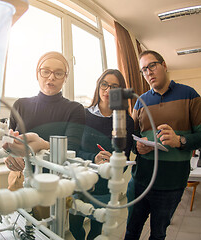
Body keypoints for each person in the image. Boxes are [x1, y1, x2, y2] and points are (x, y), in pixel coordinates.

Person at [124, 50, 201, 240]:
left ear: (164, 65)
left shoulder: (190, 95)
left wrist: (180, 141)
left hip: (171, 184)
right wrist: (137, 147)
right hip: (140, 181)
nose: (148, 73)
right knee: (131, 232)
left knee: (158, 234)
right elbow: (132, 138)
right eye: (144, 70)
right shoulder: (140, 102)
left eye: (152, 66)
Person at [4, 51, 85, 218]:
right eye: (46, 71)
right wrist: (9, 155)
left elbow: (71, 149)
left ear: (65, 77)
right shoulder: (20, 105)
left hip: (52, 183)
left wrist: (41, 145)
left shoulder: (75, 109)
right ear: (37, 73)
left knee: (45, 231)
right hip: (18, 178)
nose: (51, 77)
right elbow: (8, 140)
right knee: (14, 226)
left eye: (58, 73)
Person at [69, 69, 134, 240]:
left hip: (104, 186)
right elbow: (73, 150)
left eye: (114, 86)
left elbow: (125, 159)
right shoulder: (82, 115)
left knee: (96, 230)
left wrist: (113, 161)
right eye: (104, 84)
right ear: (98, 86)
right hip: (80, 180)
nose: (108, 90)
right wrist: (93, 158)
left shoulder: (126, 121)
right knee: (75, 226)